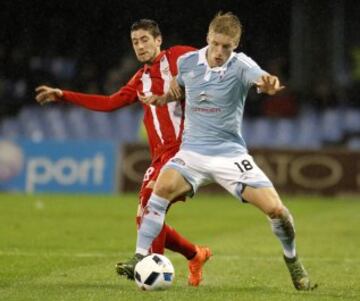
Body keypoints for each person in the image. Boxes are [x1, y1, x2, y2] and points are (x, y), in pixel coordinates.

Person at [126, 12, 316, 291]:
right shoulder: (188, 62)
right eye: (215, 44)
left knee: (277, 211)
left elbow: (261, 77)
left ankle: (293, 260)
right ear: (207, 39)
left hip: (230, 155)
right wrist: (162, 98)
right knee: (160, 187)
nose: (219, 52)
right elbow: (178, 88)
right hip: (191, 152)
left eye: (226, 46)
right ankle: (139, 257)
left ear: (235, 45)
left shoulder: (241, 65)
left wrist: (269, 83)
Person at [35, 19, 211, 287]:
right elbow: (108, 103)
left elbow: (211, 60)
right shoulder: (140, 80)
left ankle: (149, 264)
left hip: (186, 150)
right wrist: (63, 95)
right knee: (145, 216)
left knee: (152, 203)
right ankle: (195, 254)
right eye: (135, 42)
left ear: (158, 40)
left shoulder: (178, 56)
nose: (140, 46)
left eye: (144, 40)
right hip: (161, 155)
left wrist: (183, 78)